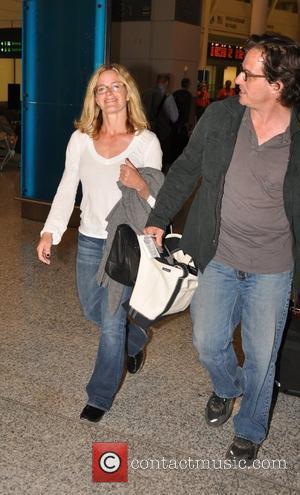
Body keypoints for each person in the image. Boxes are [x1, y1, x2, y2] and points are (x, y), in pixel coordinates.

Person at [144, 33, 300, 464]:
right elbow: (186, 169)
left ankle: (249, 430)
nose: (237, 80)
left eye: (247, 74)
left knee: (262, 355)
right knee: (208, 341)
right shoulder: (221, 117)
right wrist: (159, 218)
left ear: (277, 85)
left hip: (273, 266)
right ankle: (227, 387)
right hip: (218, 255)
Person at [37, 63, 163, 424]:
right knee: (92, 309)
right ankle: (135, 339)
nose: (108, 94)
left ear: (128, 93)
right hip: (90, 238)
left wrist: (140, 184)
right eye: (100, 88)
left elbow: (158, 199)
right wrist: (51, 231)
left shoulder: (145, 141)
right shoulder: (81, 138)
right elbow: (67, 186)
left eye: (115, 86)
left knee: (110, 321)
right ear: (94, 96)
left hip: (125, 241)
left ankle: (100, 396)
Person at [142, 73, 178, 173]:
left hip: (145, 130)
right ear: (167, 82)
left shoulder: (145, 93)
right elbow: (174, 117)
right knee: (160, 160)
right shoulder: (168, 97)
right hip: (162, 133)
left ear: (157, 81)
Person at [172, 77, 193, 161]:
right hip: (184, 122)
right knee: (183, 142)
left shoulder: (175, 93)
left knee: (175, 141)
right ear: (187, 85)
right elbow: (189, 110)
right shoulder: (188, 95)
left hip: (175, 120)